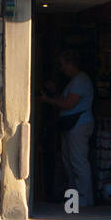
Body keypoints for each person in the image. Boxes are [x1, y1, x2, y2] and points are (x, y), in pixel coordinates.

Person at [39, 49, 95, 209]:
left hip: (78, 125)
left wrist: (48, 100)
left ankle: (83, 199)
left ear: (71, 64)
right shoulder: (76, 81)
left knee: (78, 162)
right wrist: (55, 93)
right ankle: (74, 200)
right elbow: (66, 101)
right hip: (73, 125)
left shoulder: (80, 80)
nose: (62, 69)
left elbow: (69, 104)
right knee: (70, 162)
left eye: (63, 65)